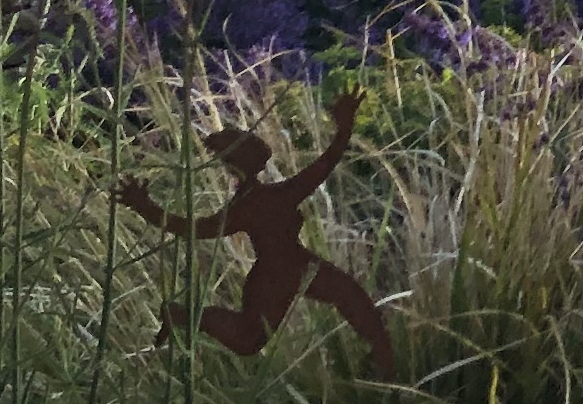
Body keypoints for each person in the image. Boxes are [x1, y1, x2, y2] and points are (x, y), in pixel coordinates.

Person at [118, 89, 394, 368]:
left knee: (347, 297)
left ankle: (382, 356)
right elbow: (195, 229)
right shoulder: (257, 203)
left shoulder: (268, 197)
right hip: (279, 274)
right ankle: (183, 316)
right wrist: (144, 206)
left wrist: (145, 207)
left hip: (292, 267)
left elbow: (323, 165)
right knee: (251, 337)